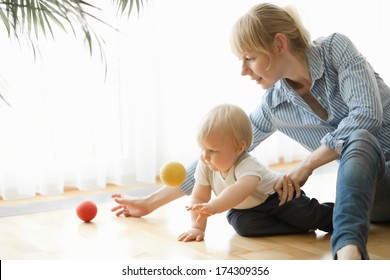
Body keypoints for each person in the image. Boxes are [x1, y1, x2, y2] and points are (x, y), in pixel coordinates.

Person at [112, 3, 390, 259]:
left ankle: (348, 251)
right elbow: (219, 152)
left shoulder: (335, 49)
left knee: (360, 136)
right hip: (376, 195)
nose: (244, 70)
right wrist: (149, 202)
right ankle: (349, 255)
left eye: (249, 57)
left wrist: (306, 165)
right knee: (356, 142)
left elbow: (366, 115)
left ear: (279, 43)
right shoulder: (274, 105)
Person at [177, 103, 333, 242]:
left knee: (307, 215)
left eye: (212, 150)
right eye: (202, 148)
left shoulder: (247, 164)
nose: (204, 156)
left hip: (278, 197)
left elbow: (242, 190)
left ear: (239, 148)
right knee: (243, 227)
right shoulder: (205, 165)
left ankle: (337, 215)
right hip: (246, 209)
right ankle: (300, 227)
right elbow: (199, 197)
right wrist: (197, 228)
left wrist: (214, 206)